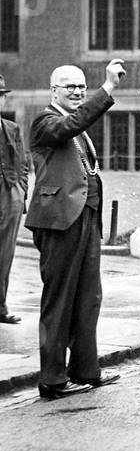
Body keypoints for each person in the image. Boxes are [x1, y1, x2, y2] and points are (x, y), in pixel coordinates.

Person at [26, 60, 125, 399]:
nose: (77, 91)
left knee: (88, 297)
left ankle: (85, 369)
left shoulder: (74, 122)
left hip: (85, 219)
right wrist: (107, 88)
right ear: (54, 90)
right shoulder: (45, 121)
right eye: (69, 86)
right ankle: (51, 379)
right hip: (59, 221)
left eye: (82, 86)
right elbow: (70, 125)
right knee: (60, 300)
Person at [0, 75, 29, 325]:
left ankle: (0, 307)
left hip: (8, 194)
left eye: (0, 96)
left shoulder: (11, 128)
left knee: (5, 253)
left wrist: (20, 193)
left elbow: (22, 163)